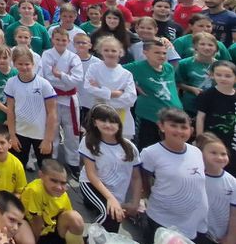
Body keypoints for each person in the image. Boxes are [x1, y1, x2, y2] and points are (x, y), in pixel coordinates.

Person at [139, 107, 208, 243]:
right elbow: (142, 181)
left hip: (195, 223)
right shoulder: (150, 153)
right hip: (162, 220)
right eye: (173, 126)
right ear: (161, 126)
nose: (179, 131)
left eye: (184, 127)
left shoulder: (197, 152)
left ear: (191, 130)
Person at [78, 104, 141, 234]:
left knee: (113, 227)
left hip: (117, 193)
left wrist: (135, 201)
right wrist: (110, 199)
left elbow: (136, 177)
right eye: (103, 120)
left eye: (113, 121)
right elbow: (91, 174)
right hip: (92, 185)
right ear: (95, 122)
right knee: (110, 214)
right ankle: (88, 239)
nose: (108, 125)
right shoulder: (88, 142)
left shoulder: (129, 147)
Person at [40, 27, 84, 177]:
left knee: (72, 132)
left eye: (63, 40)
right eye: (57, 39)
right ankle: (53, 160)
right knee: (52, 129)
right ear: (52, 39)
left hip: (70, 99)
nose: (60, 42)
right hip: (52, 98)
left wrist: (60, 75)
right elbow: (46, 77)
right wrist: (66, 78)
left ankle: (73, 162)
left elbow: (76, 80)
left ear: (68, 41)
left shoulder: (74, 57)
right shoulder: (46, 54)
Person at [126, 38, 183, 150]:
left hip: (173, 117)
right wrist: (133, 86)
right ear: (145, 52)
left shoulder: (169, 67)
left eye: (164, 53)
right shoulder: (136, 67)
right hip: (149, 118)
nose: (161, 56)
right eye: (157, 52)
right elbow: (116, 72)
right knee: (146, 150)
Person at [5, 47, 57, 169]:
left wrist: (48, 140)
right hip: (20, 134)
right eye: (20, 64)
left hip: (41, 136)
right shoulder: (11, 83)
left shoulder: (44, 84)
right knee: (17, 167)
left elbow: (52, 113)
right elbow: (10, 111)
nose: (24, 67)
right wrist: (12, 135)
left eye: (27, 64)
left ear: (33, 64)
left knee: (46, 169)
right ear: (14, 64)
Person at [83, 36, 137, 138]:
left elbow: (130, 99)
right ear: (100, 51)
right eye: (106, 50)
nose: (110, 53)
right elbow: (88, 88)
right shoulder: (94, 68)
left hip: (121, 117)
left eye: (113, 50)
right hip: (98, 115)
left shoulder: (126, 74)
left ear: (120, 52)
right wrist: (113, 94)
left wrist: (101, 93)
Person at [21, 159, 85, 244]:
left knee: (75, 218)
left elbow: (68, 215)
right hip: (32, 229)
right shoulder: (34, 191)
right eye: (54, 181)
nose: (59, 187)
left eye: (63, 183)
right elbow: (37, 223)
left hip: (51, 228)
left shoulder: (63, 194)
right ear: (41, 175)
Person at [196, 60, 236, 175]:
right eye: (219, 75)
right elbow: (200, 118)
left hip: (232, 140)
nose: (223, 78)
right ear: (212, 75)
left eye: (228, 76)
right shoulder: (207, 95)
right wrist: (200, 138)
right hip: (212, 139)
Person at [197, 132, 236, 244]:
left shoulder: (232, 183)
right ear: (201, 154)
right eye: (213, 153)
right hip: (193, 231)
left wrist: (231, 237)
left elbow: (234, 215)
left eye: (223, 154)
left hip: (218, 238)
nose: (220, 157)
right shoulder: (195, 176)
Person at [176, 32, 219, 117]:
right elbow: (176, 82)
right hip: (190, 106)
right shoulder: (184, 63)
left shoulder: (220, 65)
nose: (206, 48)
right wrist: (191, 89)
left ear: (216, 48)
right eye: (202, 44)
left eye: (210, 45)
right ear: (195, 46)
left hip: (213, 106)